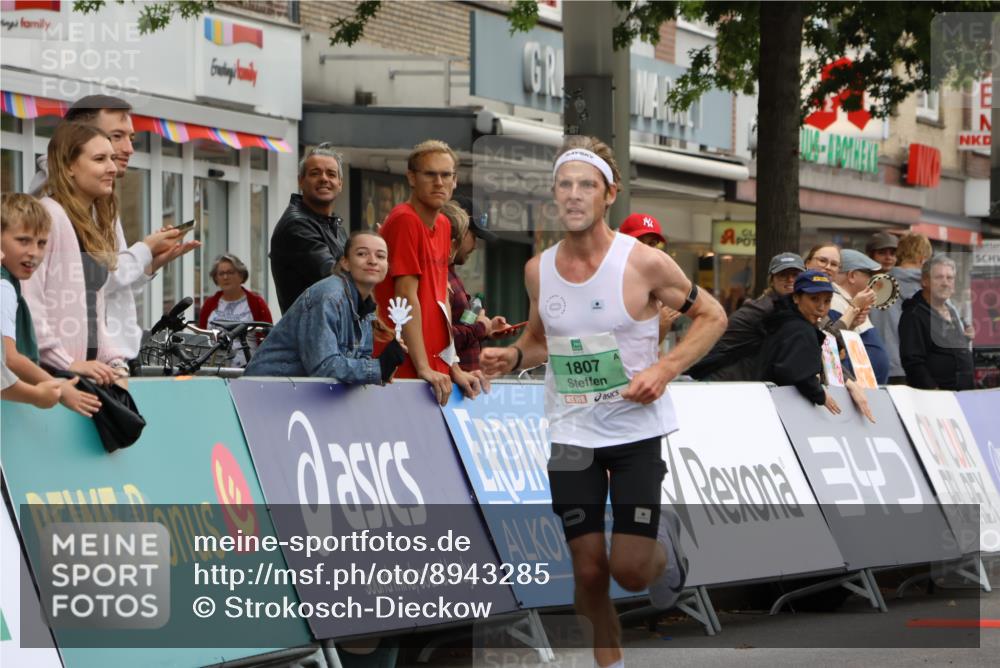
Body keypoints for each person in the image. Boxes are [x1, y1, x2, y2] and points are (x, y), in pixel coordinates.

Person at [480, 136, 727, 668]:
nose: (574, 194)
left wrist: (664, 368)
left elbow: (713, 316)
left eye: (586, 185)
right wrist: (513, 356)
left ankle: (665, 548)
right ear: (554, 194)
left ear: (608, 194)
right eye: (564, 185)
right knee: (588, 567)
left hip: (634, 431)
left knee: (630, 571)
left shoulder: (644, 263)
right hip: (571, 433)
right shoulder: (537, 269)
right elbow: (541, 340)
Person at [29, 95, 199, 361]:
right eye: (116, 136)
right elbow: (66, 292)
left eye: (130, 138)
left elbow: (103, 289)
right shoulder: (50, 211)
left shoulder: (99, 202)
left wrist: (149, 263)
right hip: (74, 368)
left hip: (105, 363)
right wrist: (144, 251)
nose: (128, 149)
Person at [21, 123, 137, 387]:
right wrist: (67, 363)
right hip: (51, 381)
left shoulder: (90, 222)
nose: (112, 167)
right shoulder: (48, 215)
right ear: (68, 166)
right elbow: (29, 303)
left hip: (85, 378)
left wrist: (115, 362)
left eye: (111, 158)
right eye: (99, 159)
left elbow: (93, 312)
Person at [373, 140, 483, 406]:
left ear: (455, 180)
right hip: (405, 366)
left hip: (434, 368)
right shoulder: (405, 220)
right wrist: (423, 367)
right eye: (430, 174)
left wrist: (453, 365)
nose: (439, 182)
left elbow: (441, 301)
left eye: (446, 175)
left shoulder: (443, 224)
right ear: (411, 178)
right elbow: (405, 296)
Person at [244, 232, 406, 384]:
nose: (372, 261)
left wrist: (384, 367)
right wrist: (378, 368)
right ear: (345, 263)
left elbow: (359, 362)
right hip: (267, 389)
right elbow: (323, 367)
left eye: (380, 256)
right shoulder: (329, 296)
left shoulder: (364, 306)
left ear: (387, 265)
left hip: (298, 393)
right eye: (362, 254)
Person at [760, 270, 874, 420]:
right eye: (814, 299)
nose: (821, 307)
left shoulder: (789, 321)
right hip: (778, 409)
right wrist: (820, 395)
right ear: (796, 297)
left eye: (827, 301)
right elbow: (796, 371)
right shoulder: (799, 329)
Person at [0, 204, 79, 409]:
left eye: (42, 243)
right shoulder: (4, 288)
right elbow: (9, 357)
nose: (34, 252)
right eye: (23, 241)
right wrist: (54, 388)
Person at [687, 252, 805, 381]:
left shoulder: (785, 306)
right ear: (772, 280)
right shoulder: (768, 309)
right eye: (783, 275)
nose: (790, 279)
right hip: (727, 380)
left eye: (795, 275)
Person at [270, 144, 349, 313]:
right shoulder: (297, 225)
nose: (324, 179)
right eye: (315, 173)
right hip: (310, 328)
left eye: (331, 174)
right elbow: (334, 279)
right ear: (301, 181)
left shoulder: (334, 225)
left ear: (340, 183)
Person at [443, 199, 506, 372]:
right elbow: (439, 339)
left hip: (464, 382)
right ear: (458, 231)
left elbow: (455, 332)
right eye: (474, 236)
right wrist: (479, 328)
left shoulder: (450, 273)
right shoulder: (438, 276)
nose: (475, 246)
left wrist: (488, 328)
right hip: (449, 383)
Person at [898, 254, 974, 390]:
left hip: (963, 395)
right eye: (939, 277)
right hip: (936, 397)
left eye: (949, 278)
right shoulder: (914, 315)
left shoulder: (951, 311)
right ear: (924, 281)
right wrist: (933, 390)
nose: (945, 283)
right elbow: (913, 361)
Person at [869, 233, 932, 384]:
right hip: (918, 367)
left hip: (881, 364)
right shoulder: (931, 286)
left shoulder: (878, 284)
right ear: (923, 258)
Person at [619, 213, 681, 342]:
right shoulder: (609, 276)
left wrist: (663, 324)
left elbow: (653, 344)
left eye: (652, 243)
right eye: (639, 242)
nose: (646, 249)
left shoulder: (657, 284)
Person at [831, 249, 890, 384]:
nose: (872, 280)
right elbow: (836, 351)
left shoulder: (851, 301)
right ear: (852, 275)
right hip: (853, 388)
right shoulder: (834, 302)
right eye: (869, 274)